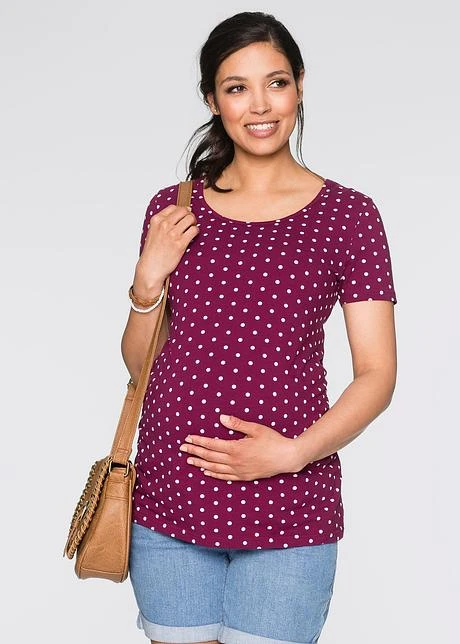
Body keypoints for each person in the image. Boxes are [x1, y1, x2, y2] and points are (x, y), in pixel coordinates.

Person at [121, 11, 397, 644]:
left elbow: (378, 374)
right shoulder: (173, 208)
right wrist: (147, 282)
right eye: (237, 88)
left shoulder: (348, 216)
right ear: (212, 100)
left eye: (276, 82)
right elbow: (141, 368)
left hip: (289, 502)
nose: (260, 105)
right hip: (171, 496)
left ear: (299, 85)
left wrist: (293, 453)